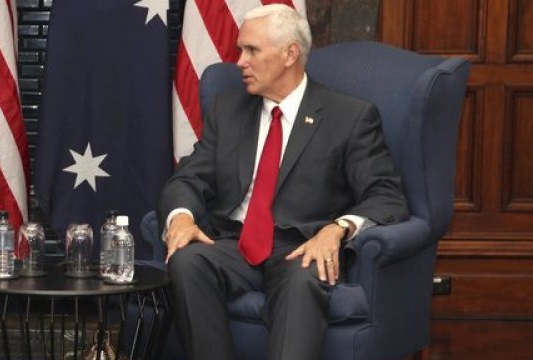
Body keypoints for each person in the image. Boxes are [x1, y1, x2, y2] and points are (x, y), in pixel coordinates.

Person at [159, 4, 409, 360]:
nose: (240, 61)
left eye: (252, 50)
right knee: (188, 260)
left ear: (290, 53)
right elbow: (187, 178)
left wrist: (337, 229)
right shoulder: (228, 110)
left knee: (304, 277)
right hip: (234, 242)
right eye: (240, 50)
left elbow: (386, 195)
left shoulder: (349, 117)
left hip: (301, 246)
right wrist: (181, 216)